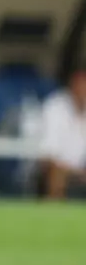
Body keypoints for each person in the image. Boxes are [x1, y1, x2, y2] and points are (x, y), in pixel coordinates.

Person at [36, 66, 86, 199]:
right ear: (74, 84)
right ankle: (53, 208)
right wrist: (75, 171)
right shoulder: (55, 107)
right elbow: (48, 155)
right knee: (56, 173)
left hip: (81, 170)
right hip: (56, 168)